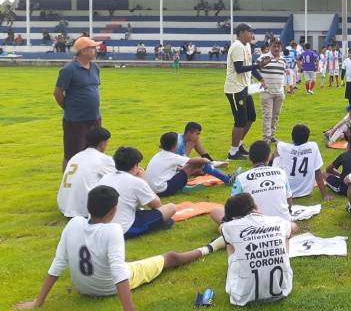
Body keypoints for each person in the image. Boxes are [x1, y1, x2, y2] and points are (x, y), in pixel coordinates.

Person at [17, 186, 224, 310]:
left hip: (82, 288)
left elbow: (58, 263)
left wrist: (38, 302)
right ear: (113, 210)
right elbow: (119, 273)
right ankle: (211, 247)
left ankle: (212, 247)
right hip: (106, 288)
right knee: (170, 258)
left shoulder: (74, 223)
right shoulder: (113, 230)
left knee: (126, 265)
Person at [218, 193, 297, 306]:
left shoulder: (229, 227)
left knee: (229, 242)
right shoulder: (276, 221)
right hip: (281, 290)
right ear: (254, 206)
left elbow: (220, 228)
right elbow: (294, 227)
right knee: (286, 235)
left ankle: (237, 272)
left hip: (241, 296)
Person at [99, 147, 176, 239]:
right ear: (135, 166)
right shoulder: (136, 182)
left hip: (102, 226)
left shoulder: (106, 177)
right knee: (171, 208)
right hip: (124, 229)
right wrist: (143, 181)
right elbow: (157, 205)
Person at [54, 36, 103, 171]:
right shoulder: (69, 69)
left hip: (94, 118)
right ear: (83, 51)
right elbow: (58, 93)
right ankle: (66, 183)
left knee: (95, 152)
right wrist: (68, 108)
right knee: (72, 153)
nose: (96, 50)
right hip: (75, 120)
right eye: (93, 48)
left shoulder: (95, 68)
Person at [144, 132, 235, 197]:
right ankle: (227, 179)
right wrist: (207, 160)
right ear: (175, 145)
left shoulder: (159, 155)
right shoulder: (172, 156)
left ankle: (225, 178)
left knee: (193, 166)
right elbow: (194, 161)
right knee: (198, 163)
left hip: (153, 190)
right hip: (163, 190)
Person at [224, 23, 264, 160]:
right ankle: (233, 152)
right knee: (240, 121)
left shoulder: (246, 46)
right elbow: (239, 68)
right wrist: (258, 65)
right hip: (235, 89)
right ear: (241, 33)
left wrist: (261, 78)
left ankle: (239, 144)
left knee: (251, 117)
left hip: (244, 88)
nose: (251, 34)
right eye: (249, 32)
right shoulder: (237, 47)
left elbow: (250, 67)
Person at [58, 127, 116, 218]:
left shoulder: (76, 156)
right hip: (85, 210)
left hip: (64, 206)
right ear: (102, 143)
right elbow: (119, 177)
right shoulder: (103, 159)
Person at [228, 141, 292, 222]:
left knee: (216, 212)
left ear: (250, 158)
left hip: (256, 225)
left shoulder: (241, 178)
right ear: (268, 157)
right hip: (284, 223)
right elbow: (289, 199)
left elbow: (233, 206)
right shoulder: (281, 172)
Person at [271, 125, 329, 200]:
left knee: (277, 152)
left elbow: (278, 144)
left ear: (292, 137)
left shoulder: (285, 147)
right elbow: (317, 171)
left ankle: (267, 170)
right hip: (306, 191)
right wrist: (325, 195)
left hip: (286, 191)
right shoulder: (313, 146)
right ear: (307, 138)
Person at [258, 40, 287, 143]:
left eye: (278, 46)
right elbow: (255, 71)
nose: (276, 48)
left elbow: (282, 74)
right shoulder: (263, 58)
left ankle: (272, 136)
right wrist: (260, 82)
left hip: (279, 92)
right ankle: (266, 138)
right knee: (267, 115)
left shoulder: (283, 60)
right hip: (267, 92)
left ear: (281, 48)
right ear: (270, 47)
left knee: (275, 115)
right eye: (274, 46)